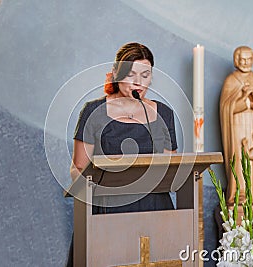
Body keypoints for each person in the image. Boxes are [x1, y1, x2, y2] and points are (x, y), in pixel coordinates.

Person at [66, 42, 178, 266]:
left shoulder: (164, 114)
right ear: (117, 74)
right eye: (132, 74)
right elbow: (77, 169)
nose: (139, 82)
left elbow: (171, 169)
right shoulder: (93, 111)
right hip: (107, 212)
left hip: (155, 212)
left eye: (145, 75)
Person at [219, 46, 253, 204]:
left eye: (249, 59)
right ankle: (240, 192)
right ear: (236, 60)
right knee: (240, 156)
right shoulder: (231, 80)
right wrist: (244, 98)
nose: (246, 62)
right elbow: (226, 107)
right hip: (237, 127)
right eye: (243, 59)